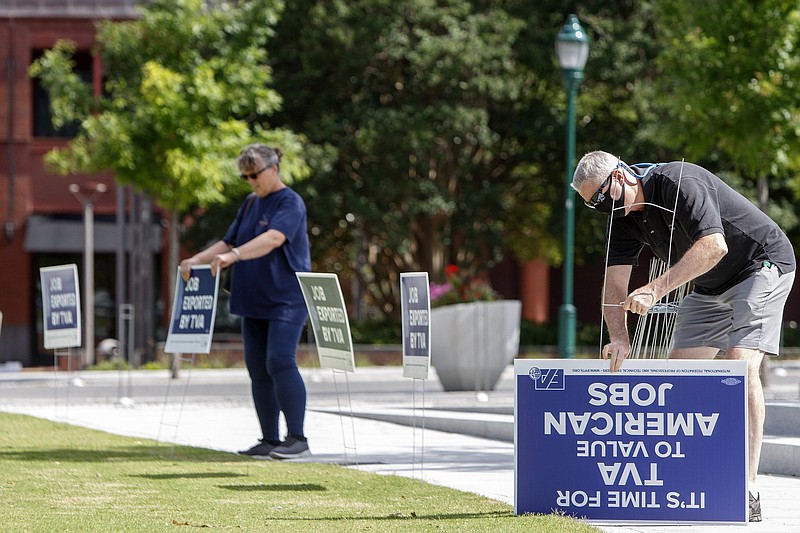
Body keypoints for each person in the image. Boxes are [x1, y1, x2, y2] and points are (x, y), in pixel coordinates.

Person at [572, 150, 795, 522]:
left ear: (623, 176)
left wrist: (656, 289)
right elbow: (614, 288)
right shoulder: (622, 220)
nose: (601, 207)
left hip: (761, 264)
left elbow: (715, 246)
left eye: (601, 196)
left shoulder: (678, 182)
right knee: (680, 379)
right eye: (592, 204)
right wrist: (620, 337)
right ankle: (691, 477)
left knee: (737, 370)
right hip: (710, 286)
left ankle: (748, 487)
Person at [180, 143, 312, 460]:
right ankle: (269, 439)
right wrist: (196, 259)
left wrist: (233, 256)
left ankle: (298, 438)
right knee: (257, 369)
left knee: (280, 361)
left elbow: (273, 239)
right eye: (246, 177)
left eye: (255, 175)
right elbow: (229, 240)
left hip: (285, 298)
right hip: (252, 298)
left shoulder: (290, 202)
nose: (252, 181)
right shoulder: (251, 203)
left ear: (274, 168)